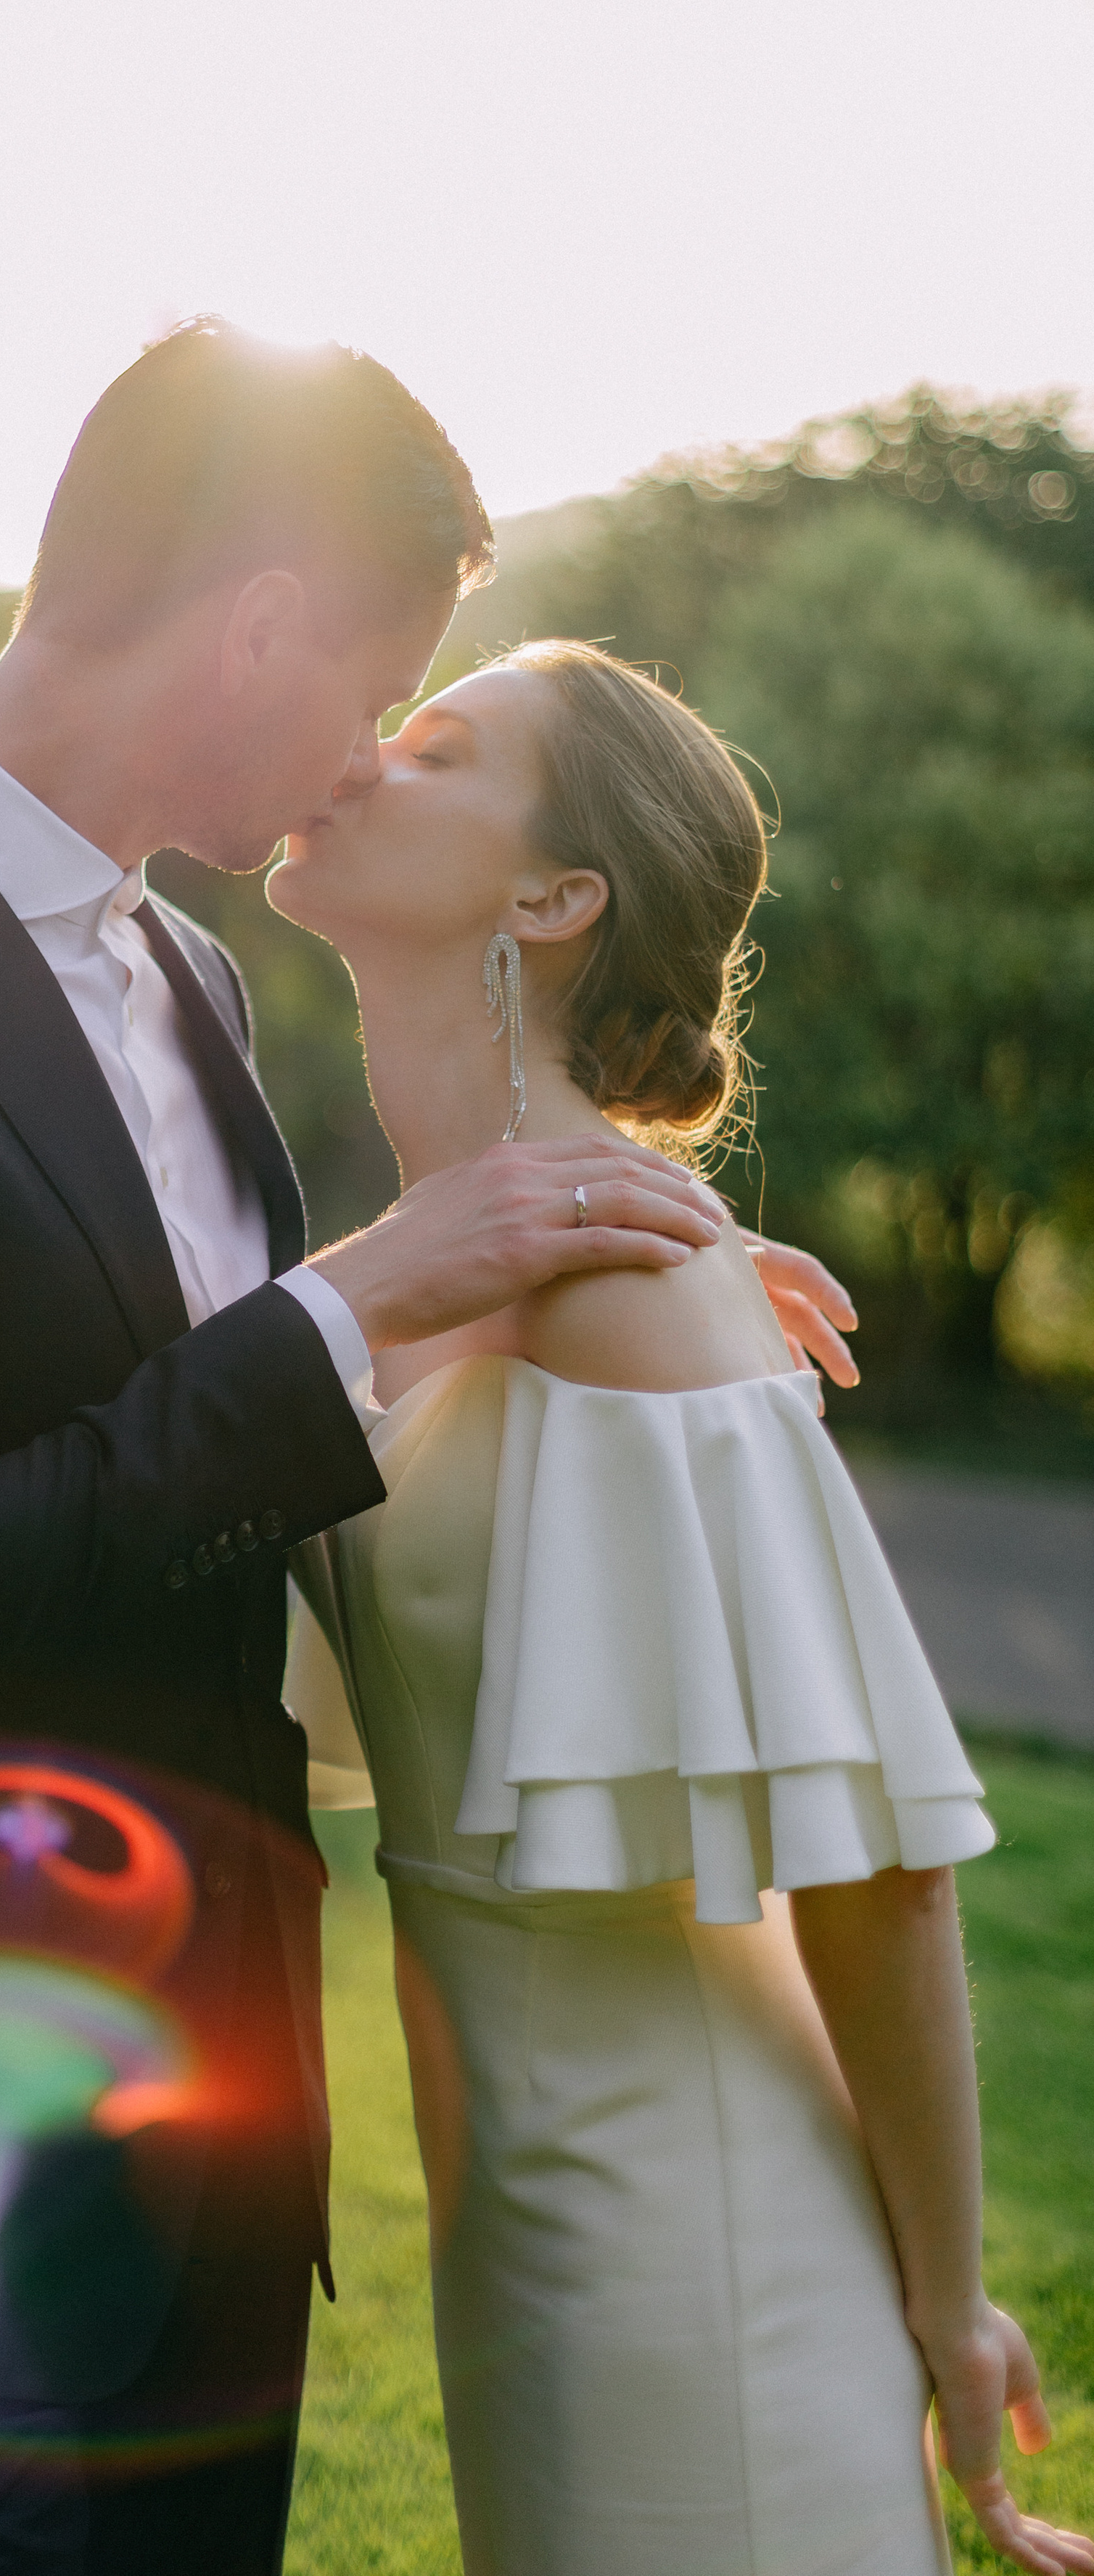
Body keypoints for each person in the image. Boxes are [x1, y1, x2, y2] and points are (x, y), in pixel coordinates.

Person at [0, 323, 850, 2576]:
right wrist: (375, 1290)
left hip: (211, 2140)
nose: (367, 755)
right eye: (378, 686)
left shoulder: (187, 978)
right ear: (260, 621)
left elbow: (207, 1437)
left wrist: (593, 1306)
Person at [273, 639, 1094, 2576]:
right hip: (539, 2222)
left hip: (690, 2246)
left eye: (438, 747)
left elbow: (879, 1868)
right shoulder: (451, 1263)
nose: (358, 751)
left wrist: (945, 2305)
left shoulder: (634, 1292)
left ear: (557, 899)